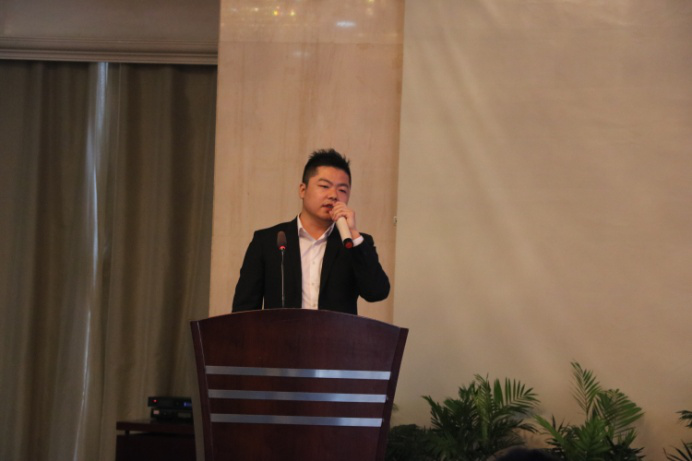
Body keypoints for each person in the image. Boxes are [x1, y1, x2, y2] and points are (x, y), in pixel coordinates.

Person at [232, 148, 390, 314]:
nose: (333, 195)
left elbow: (376, 292)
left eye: (342, 190)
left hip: (336, 332)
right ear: (303, 190)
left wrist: (353, 234)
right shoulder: (267, 241)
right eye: (324, 186)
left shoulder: (354, 244)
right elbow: (244, 310)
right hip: (281, 332)